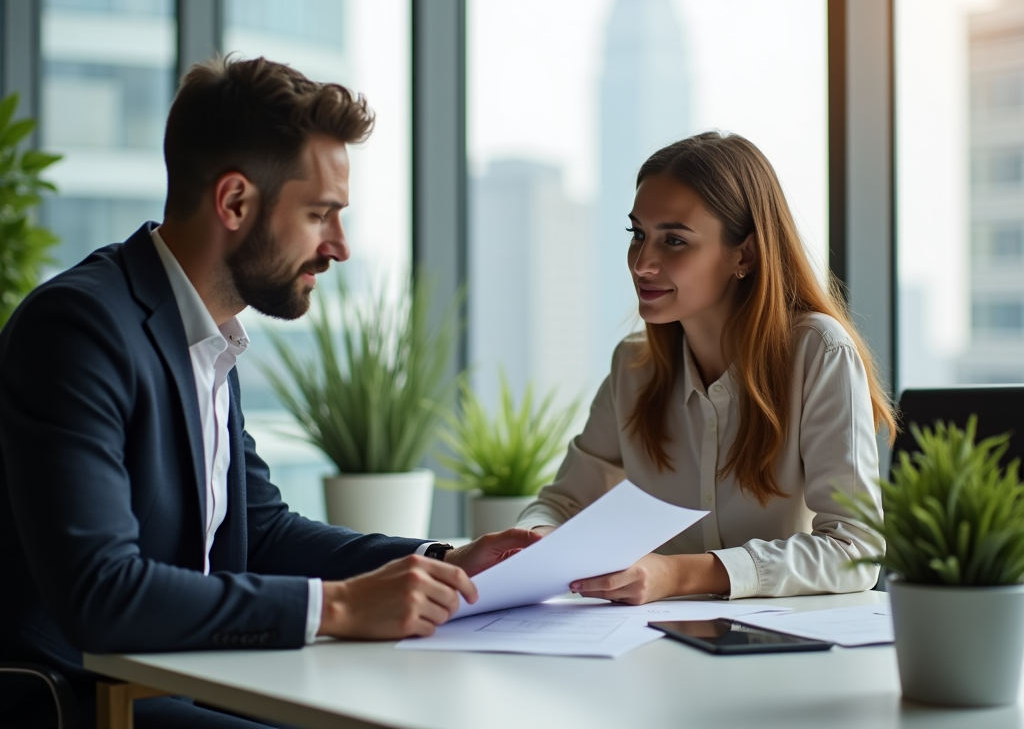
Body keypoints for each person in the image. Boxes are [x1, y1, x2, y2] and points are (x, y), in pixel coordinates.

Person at [0, 56, 537, 729]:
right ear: (233, 202)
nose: (339, 247)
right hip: (78, 699)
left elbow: (261, 531)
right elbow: (101, 594)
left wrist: (440, 562)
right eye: (320, 215)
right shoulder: (79, 329)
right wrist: (339, 606)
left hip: (183, 680)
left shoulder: (205, 332)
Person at [517, 131, 896, 603]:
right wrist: (531, 540)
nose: (642, 263)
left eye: (674, 240)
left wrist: (677, 575)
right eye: (638, 234)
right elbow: (562, 503)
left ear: (745, 254)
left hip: (784, 650)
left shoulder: (819, 352)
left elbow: (853, 548)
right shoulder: (633, 368)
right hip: (651, 646)